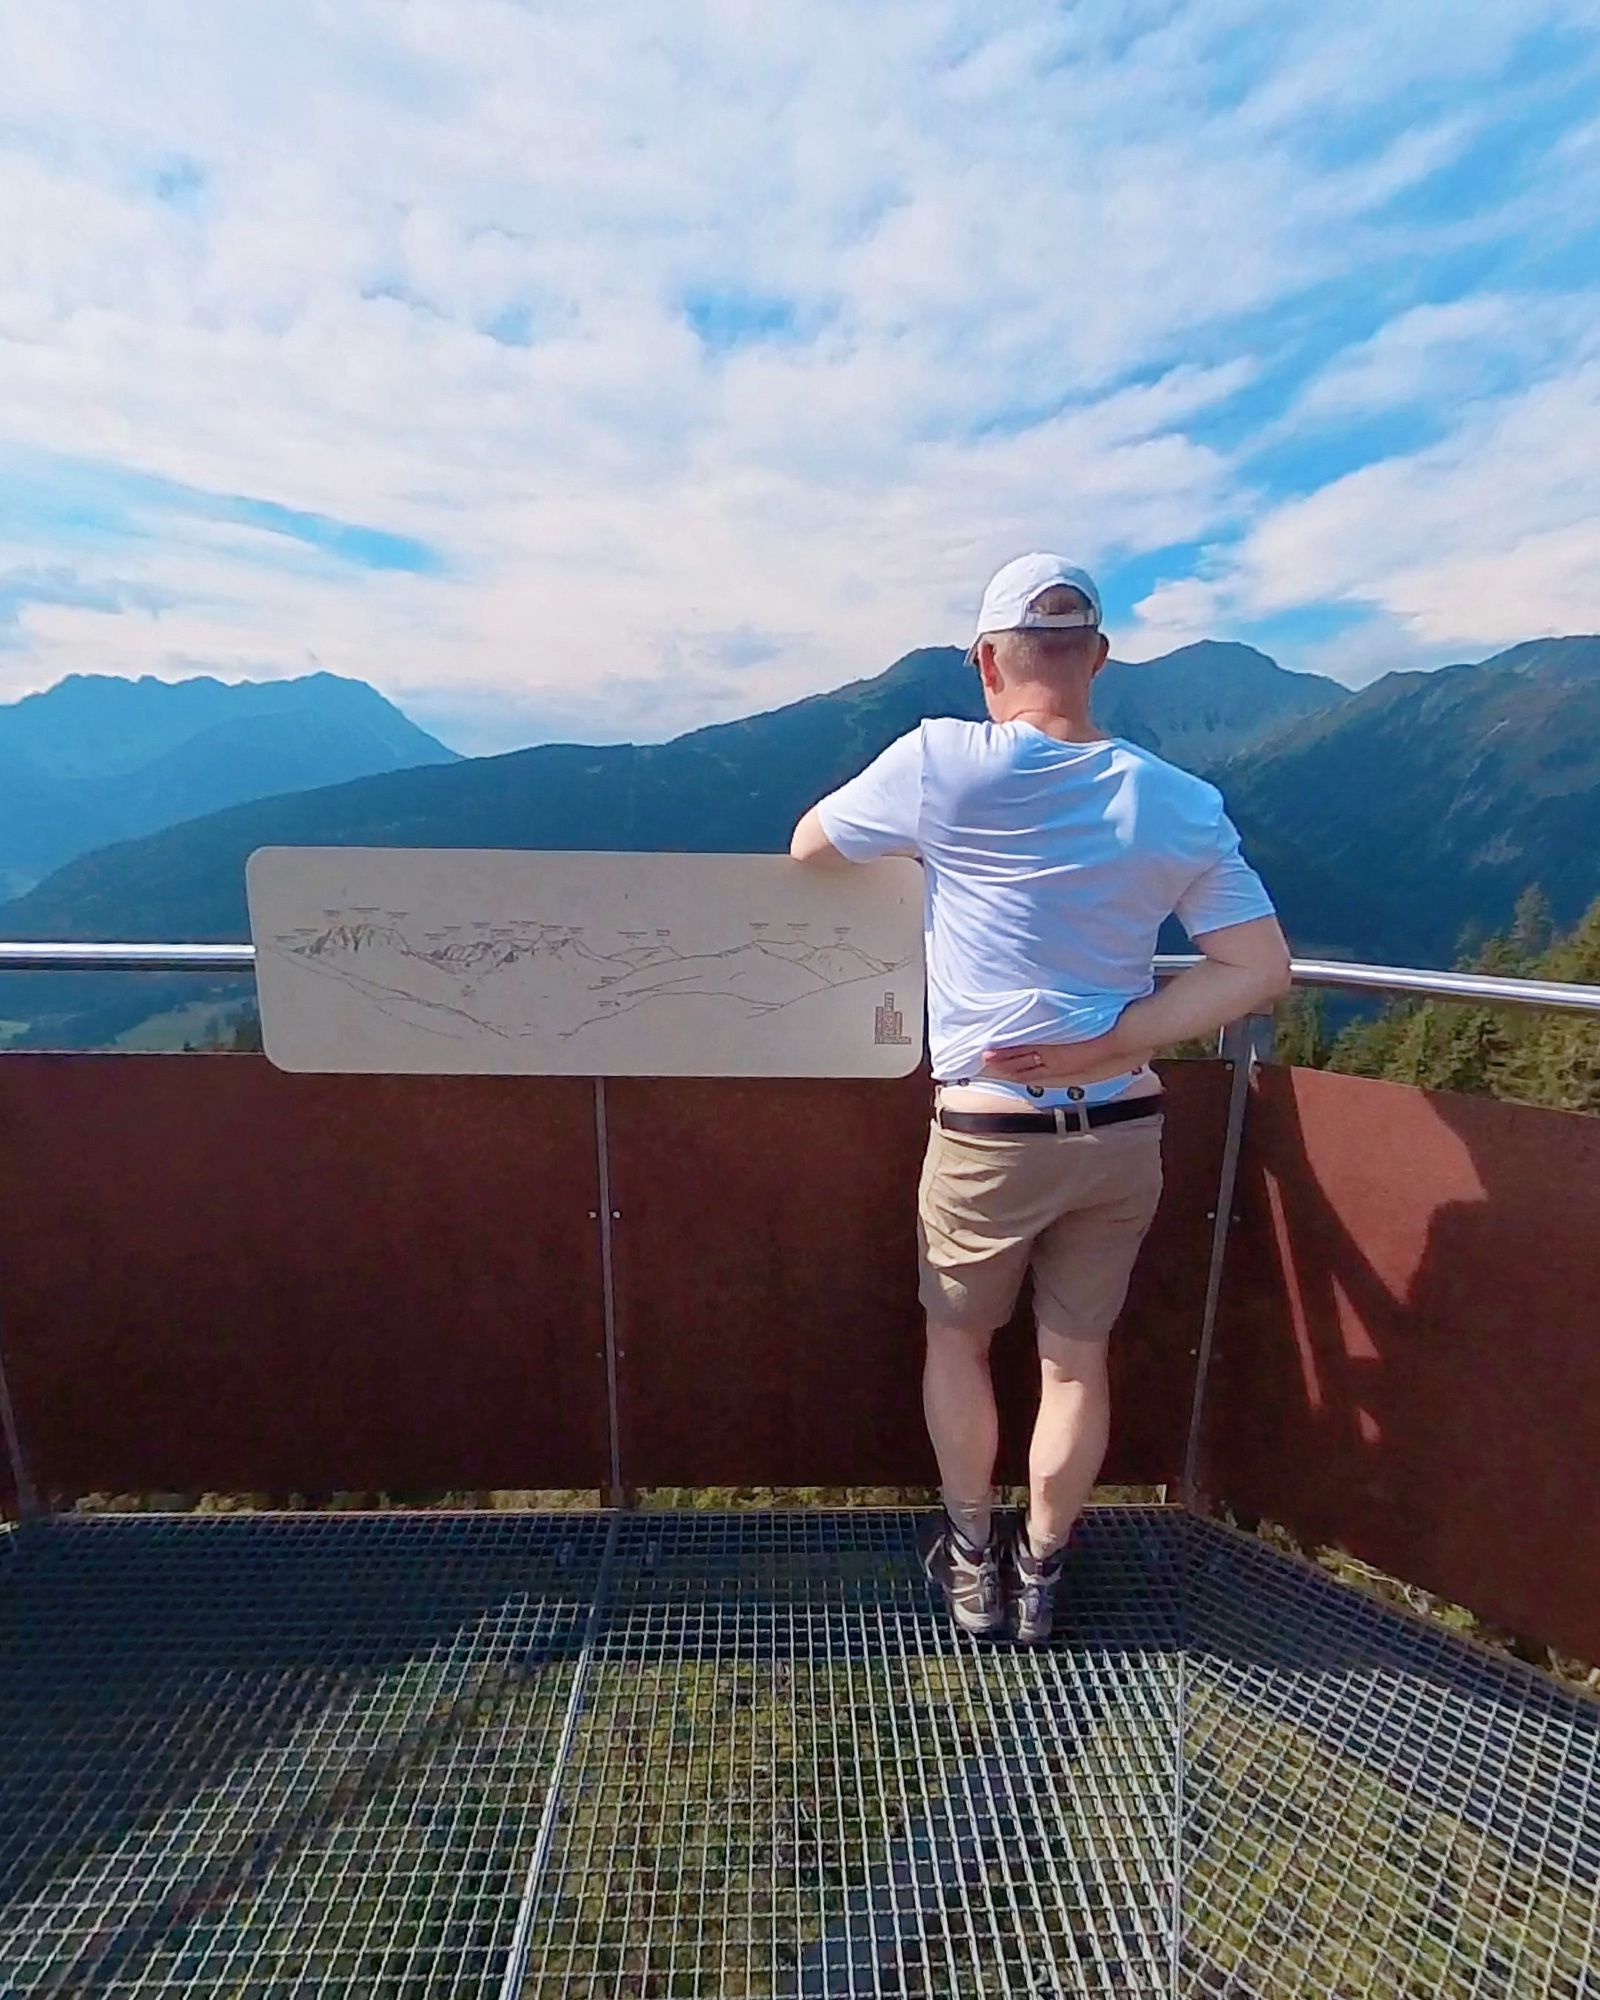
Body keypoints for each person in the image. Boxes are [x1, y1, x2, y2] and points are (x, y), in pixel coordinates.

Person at [790, 554, 1290, 1644]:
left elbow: (810, 846)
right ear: (1098, 660)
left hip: (987, 1126)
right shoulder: (1179, 799)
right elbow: (1255, 968)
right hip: (1122, 1123)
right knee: (1076, 1359)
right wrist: (1114, 1036)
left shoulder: (938, 762)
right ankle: (1044, 1571)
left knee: (958, 1343)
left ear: (984, 662)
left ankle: (972, 1563)